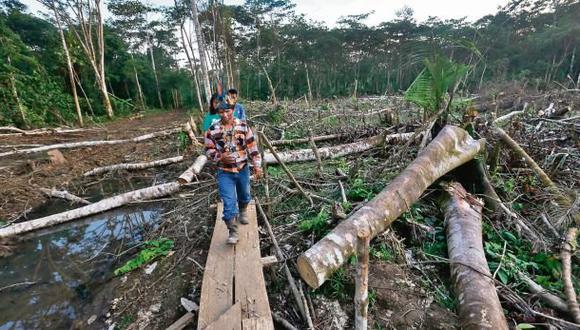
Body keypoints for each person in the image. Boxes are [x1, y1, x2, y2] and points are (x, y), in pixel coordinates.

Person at [204, 101, 263, 244]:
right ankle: (233, 232)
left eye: (227, 112)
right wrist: (220, 156)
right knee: (228, 202)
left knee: (245, 195)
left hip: (242, 169)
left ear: (233, 110)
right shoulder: (212, 130)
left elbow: (253, 148)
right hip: (224, 172)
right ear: (218, 113)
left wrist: (257, 166)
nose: (225, 115)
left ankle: (242, 210)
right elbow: (208, 150)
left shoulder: (243, 126)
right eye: (221, 113)